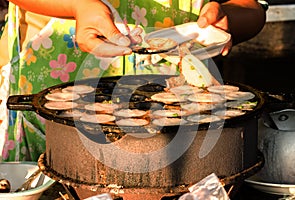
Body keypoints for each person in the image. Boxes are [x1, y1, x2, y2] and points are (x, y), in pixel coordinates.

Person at [0, 0, 267, 161]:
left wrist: (227, 18)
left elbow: (252, 8)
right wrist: (76, 5)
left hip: (178, 101)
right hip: (60, 86)